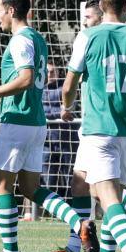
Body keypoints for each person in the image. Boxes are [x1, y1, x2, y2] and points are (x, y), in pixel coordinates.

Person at [0, 0, 99, 252]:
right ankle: (80, 225)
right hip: (35, 123)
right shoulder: (38, 39)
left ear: (11, 11)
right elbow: (26, 82)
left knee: (2, 188)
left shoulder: (19, 40)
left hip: (16, 123)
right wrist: (2, 95)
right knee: (31, 189)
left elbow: (26, 79)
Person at [41, 0, 126, 252]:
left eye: (90, 17)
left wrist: (65, 106)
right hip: (125, 127)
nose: (86, 22)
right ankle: (77, 247)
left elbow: (68, 87)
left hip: (99, 128)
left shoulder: (90, 38)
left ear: (102, 11)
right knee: (81, 183)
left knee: (107, 196)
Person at [41, 61, 77, 202]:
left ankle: (72, 205)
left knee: (70, 175)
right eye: (47, 72)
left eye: (52, 72)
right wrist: (59, 112)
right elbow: (41, 111)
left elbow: (71, 106)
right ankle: (50, 208)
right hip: (46, 141)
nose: (50, 74)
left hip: (66, 139)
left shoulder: (65, 88)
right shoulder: (39, 89)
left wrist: (64, 110)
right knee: (48, 177)